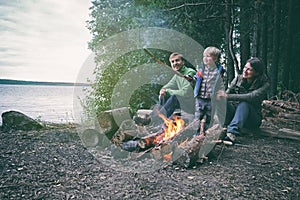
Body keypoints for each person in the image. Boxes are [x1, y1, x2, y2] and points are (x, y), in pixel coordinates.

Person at [217, 57, 270, 145]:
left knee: (244, 104)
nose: (245, 71)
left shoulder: (264, 84)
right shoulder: (238, 79)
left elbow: (251, 97)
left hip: (252, 119)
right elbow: (226, 94)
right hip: (235, 113)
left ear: (257, 73)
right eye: (245, 68)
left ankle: (231, 134)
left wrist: (227, 96)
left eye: (249, 70)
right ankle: (221, 127)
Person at [134, 52, 196, 126]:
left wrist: (167, 91)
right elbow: (167, 86)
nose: (175, 63)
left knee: (174, 97)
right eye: (172, 62)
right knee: (164, 95)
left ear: (183, 62)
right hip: (183, 103)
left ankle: (152, 120)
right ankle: (154, 120)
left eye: (177, 60)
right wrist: (162, 91)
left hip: (191, 105)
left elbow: (185, 93)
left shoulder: (190, 72)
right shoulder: (177, 75)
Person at [193, 46, 226, 136]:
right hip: (200, 97)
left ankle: (206, 134)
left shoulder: (218, 71)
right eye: (204, 56)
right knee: (198, 116)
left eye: (208, 56)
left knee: (209, 116)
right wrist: (192, 78)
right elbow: (196, 78)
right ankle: (196, 134)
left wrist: (221, 92)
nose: (205, 58)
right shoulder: (201, 68)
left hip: (210, 99)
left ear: (215, 59)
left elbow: (221, 84)